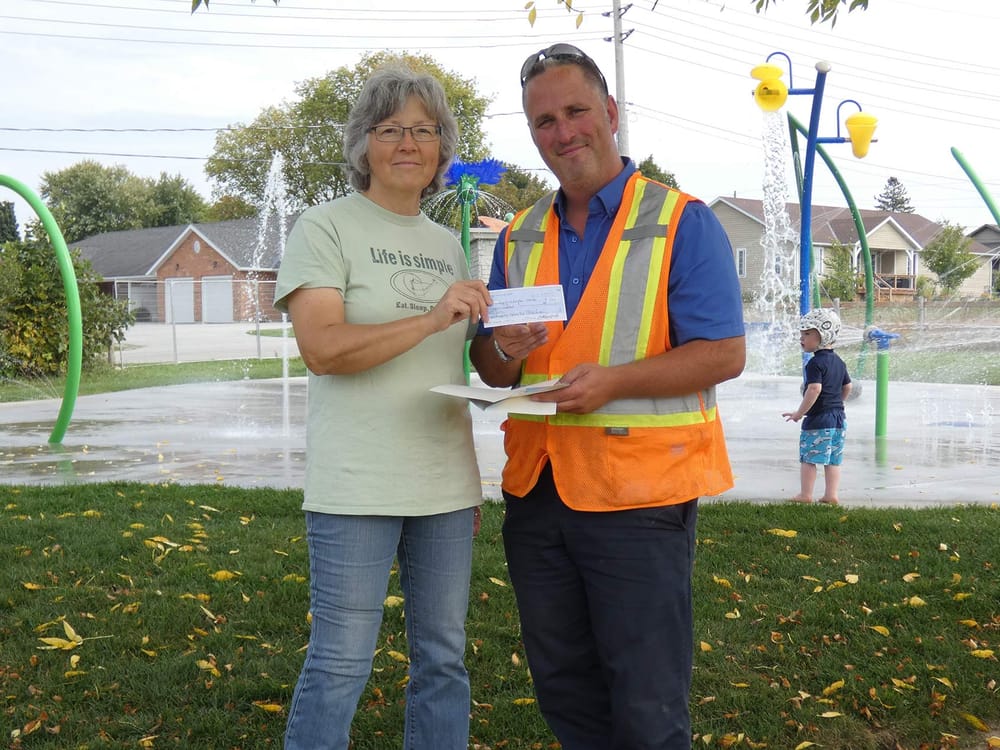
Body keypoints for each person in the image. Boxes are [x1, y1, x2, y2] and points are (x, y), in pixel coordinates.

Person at [469, 43, 746, 749]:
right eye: (543, 122)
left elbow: (723, 353)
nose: (563, 133)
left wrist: (613, 383)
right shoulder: (521, 235)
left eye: (575, 111)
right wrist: (503, 350)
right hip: (537, 495)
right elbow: (493, 371)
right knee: (564, 685)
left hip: (640, 502)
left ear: (611, 114)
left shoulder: (682, 222)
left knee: (647, 701)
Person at [274, 63, 492, 750]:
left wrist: (509, 342)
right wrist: (430, 320)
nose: (408, 143)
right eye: (391, 128)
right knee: (340, 663)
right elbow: (325, 348)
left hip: (445, 483)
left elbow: (466, 357)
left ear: (442, 149)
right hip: (356, 484)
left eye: (424, 130)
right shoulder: (324, 226)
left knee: (443, 661)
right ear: (363, 142)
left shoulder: (447, 243)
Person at [782, 308, 852, 505]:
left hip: (818, 419)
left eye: (807, 334)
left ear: (822, 335)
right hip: (838, 419)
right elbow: (848, 386)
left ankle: (806, 494)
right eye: (801, 334)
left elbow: (814, 389)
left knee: (808, 458)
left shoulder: (814, 363)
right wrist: (837, 402)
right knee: (833, 459)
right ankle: (831, 495)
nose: (801, 338)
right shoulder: (839, 362)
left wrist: (799, 413)